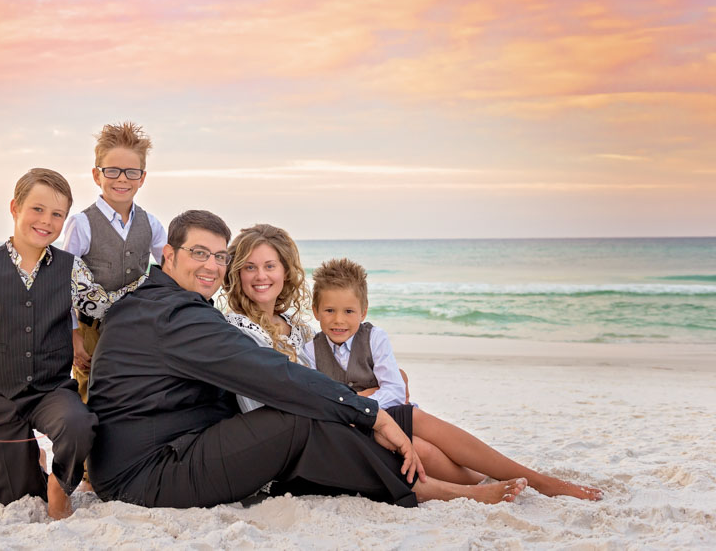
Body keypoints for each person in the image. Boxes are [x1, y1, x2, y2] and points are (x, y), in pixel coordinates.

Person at [86, 210, 530, 509]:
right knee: (296, 418)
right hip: (147, 475)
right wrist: (369, 413)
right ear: (169, 256)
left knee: (340, 412)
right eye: (198, 253)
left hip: (161, 452)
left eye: (219, 256)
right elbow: (268, 372)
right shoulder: (175, 314)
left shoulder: (161, 305)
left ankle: (498, 477)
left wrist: (371, 408)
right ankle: (420, 486)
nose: (211, 266)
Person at [304, 256, 602, 500]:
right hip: (356, 430)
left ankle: (532, 480)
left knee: (415, 423)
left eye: (348, 311)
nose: (339, 320)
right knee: (419, 448)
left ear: (363, 311)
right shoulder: (311, 351)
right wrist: (360, 402)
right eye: (330, 310)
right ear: (316, 311)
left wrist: (363, 402)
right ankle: (480, 484)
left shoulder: (374, 338)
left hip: (390, 416)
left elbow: (395, 391)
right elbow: (315, 400)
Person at [0, 168, 140, 520]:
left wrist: (150, 286)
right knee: (17, 498)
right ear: (15, 207)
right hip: (2, 397)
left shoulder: (71, 268)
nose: (46, 221)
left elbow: (105, 305)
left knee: (79, 424)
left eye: (57, 214)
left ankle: (60, 485)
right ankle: (35, 459)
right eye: (37, 209)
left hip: (52, 392)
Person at [60, 122, 166, 403]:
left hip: (137, 327)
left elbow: (172, 270)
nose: (122, 179)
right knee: (91, 395)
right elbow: (62, 285)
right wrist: (74, 338)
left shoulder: (151, 224)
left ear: (142, 178)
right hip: (90, 331)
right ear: (97, 175)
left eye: (131, 172)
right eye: (112, 171)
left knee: (133, 395)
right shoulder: (82, 224)